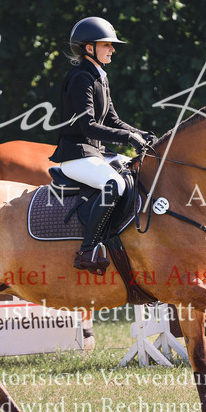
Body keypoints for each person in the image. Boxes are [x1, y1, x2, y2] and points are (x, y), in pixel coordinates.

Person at [50, 16, 154, 273]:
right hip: (76, 155)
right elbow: (87, 126)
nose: (113, 49)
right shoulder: (80, 78)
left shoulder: (99, 76)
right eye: (107, 44)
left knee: (133, 175)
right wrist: (129, 138)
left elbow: (113, 120)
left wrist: (143, 134)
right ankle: (87, 250)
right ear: (89, 48)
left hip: (95, 153)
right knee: (114, 184)